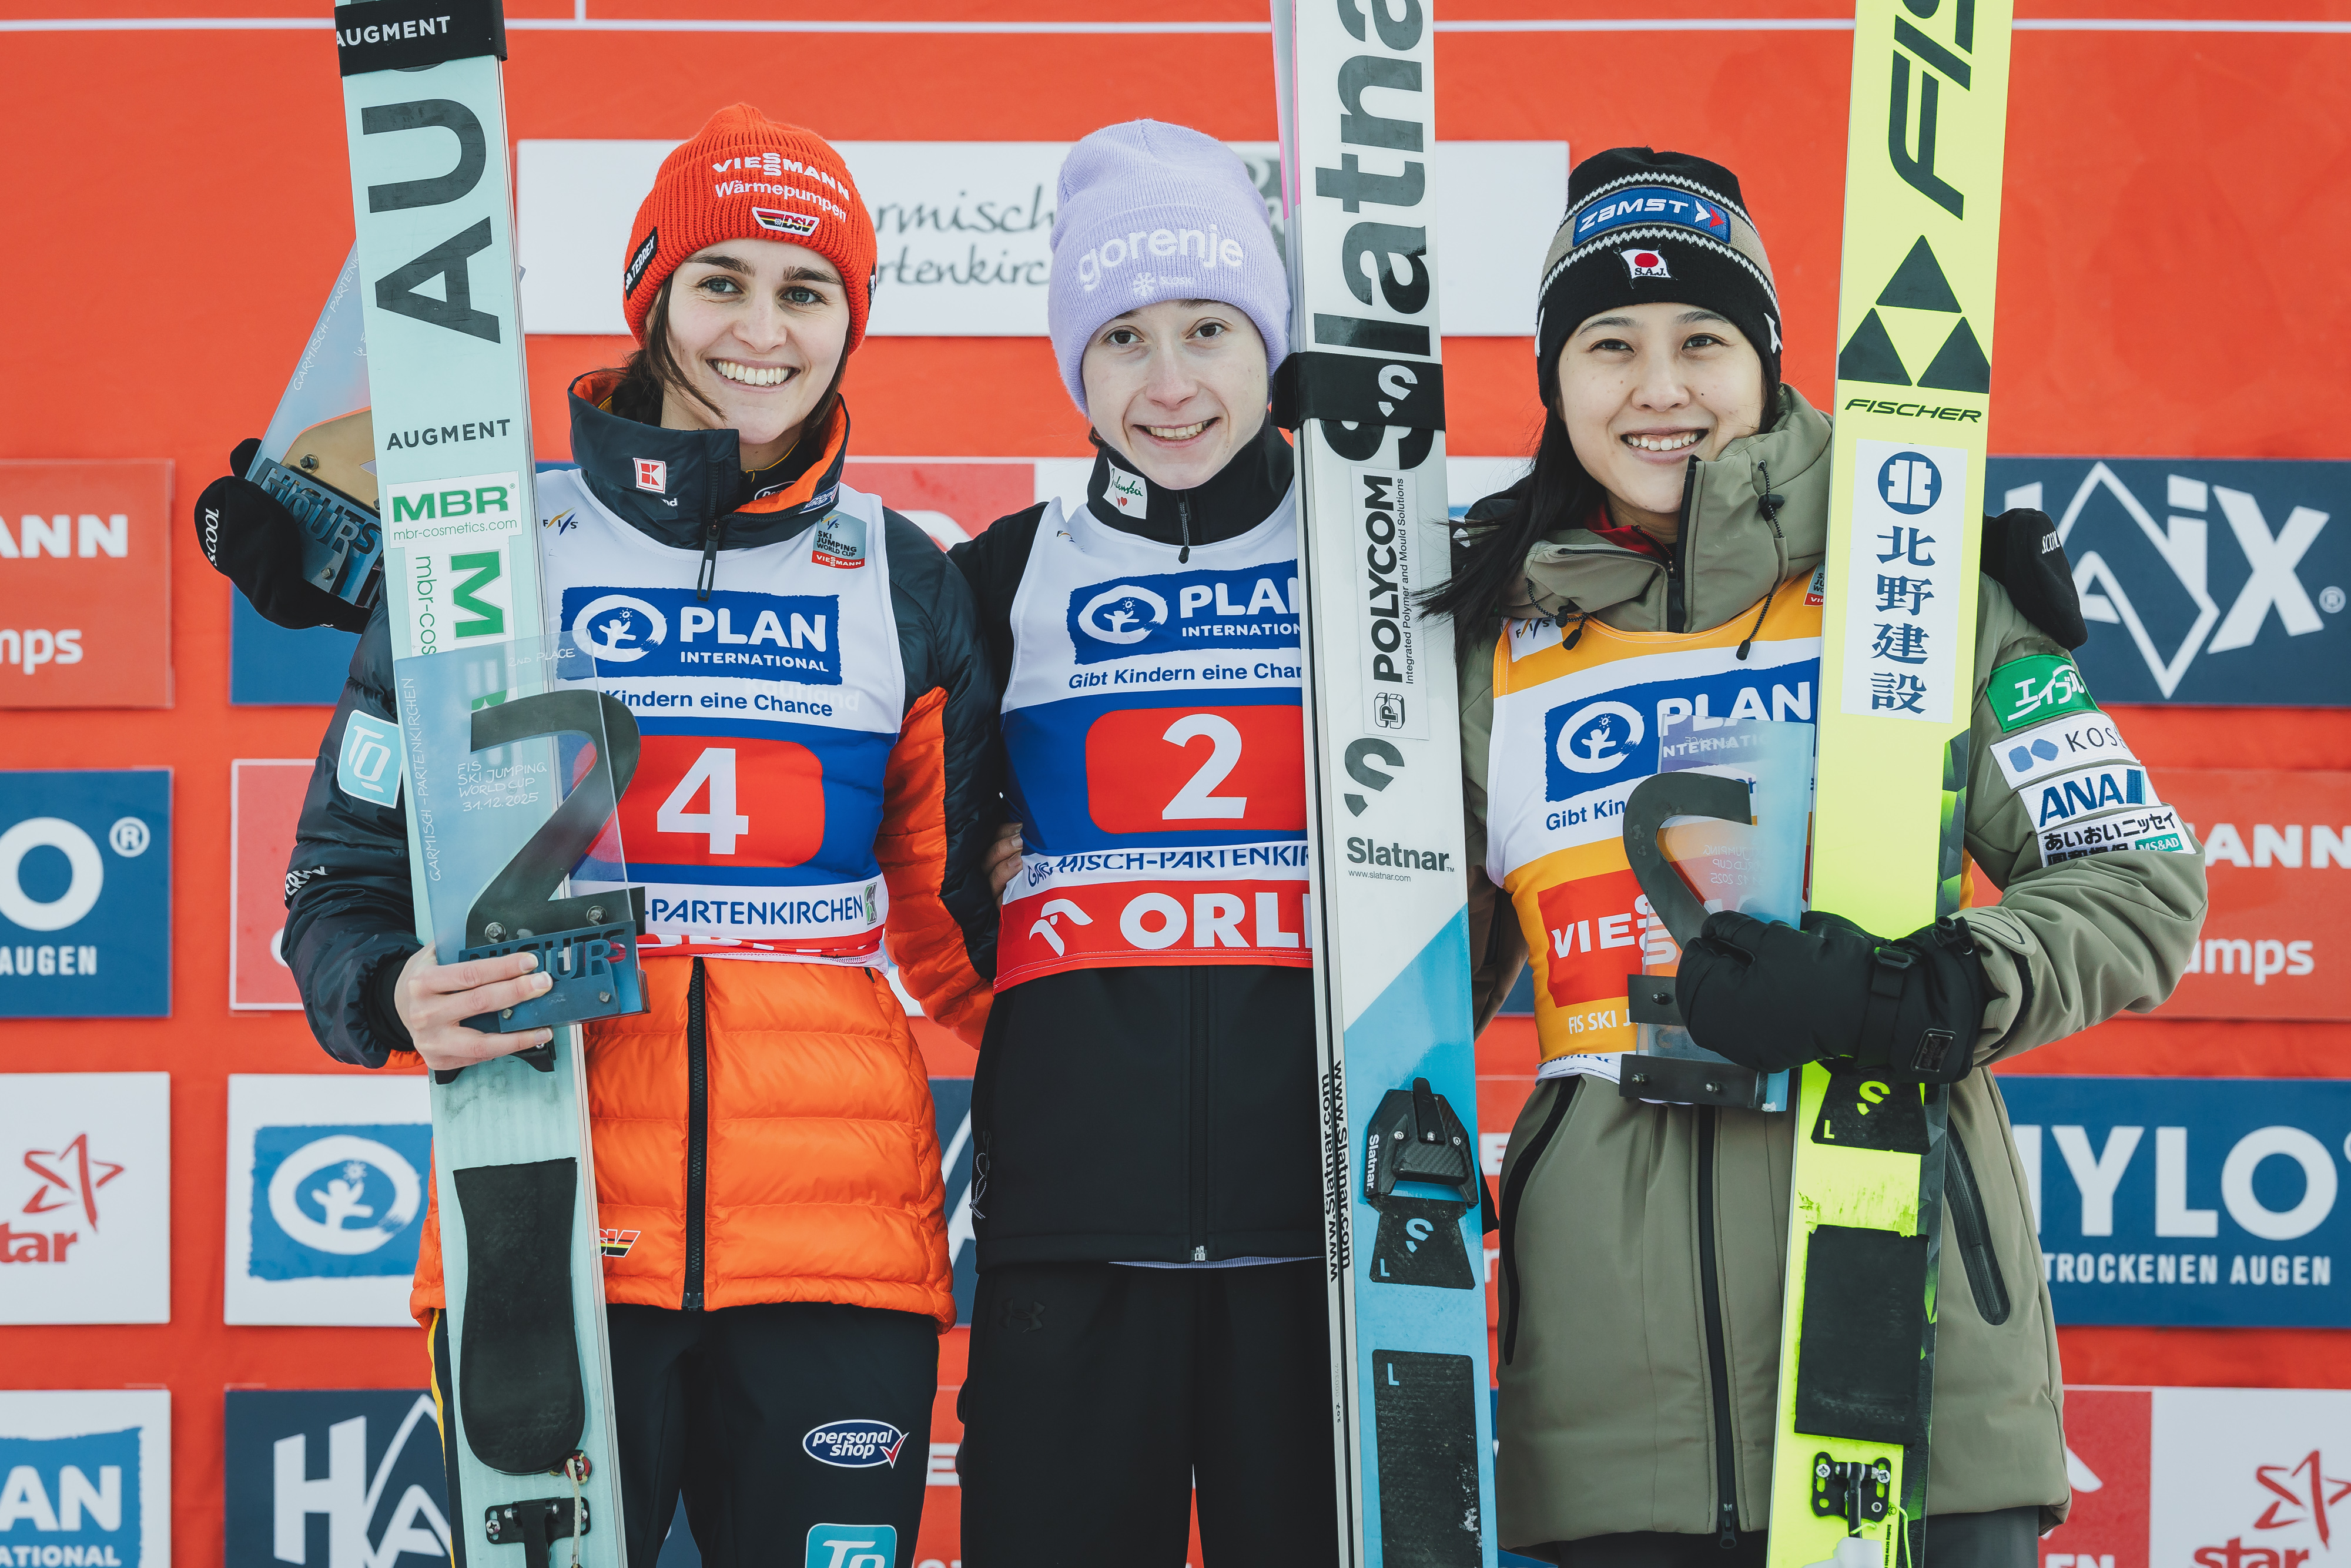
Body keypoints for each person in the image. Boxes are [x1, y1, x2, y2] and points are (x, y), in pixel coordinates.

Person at [205, 105, 999, 1566]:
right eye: (721, 281)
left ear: (850, 322)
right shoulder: (492, 549)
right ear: (650, 294)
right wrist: (385, 989)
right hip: (548, 1221)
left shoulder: (903, 575)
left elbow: (965, 937)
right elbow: (342, 875)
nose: (761, 328)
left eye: (805, 290)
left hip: (835, 1252)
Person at [1436, 148, 2208, 1566]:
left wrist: (1918, 991)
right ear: (1553, 380)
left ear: (1765, 357)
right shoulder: (1488, 639)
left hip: (1914, 1366)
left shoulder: (1909, 579)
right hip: (1615, 1414)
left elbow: (2137, 879)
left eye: (1701, 342)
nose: (1657, 388)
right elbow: (1403, 977)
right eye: (1607, 345)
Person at [942, 121, 1335, 1567]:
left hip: (1330, 1230)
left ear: (1269, 342)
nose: (1169, 385)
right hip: (1069, 1229)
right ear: (1073, 366)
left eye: (1209, 331)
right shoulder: (996, 576)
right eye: (1120, 341)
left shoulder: (1384, 559)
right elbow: (917, 850)